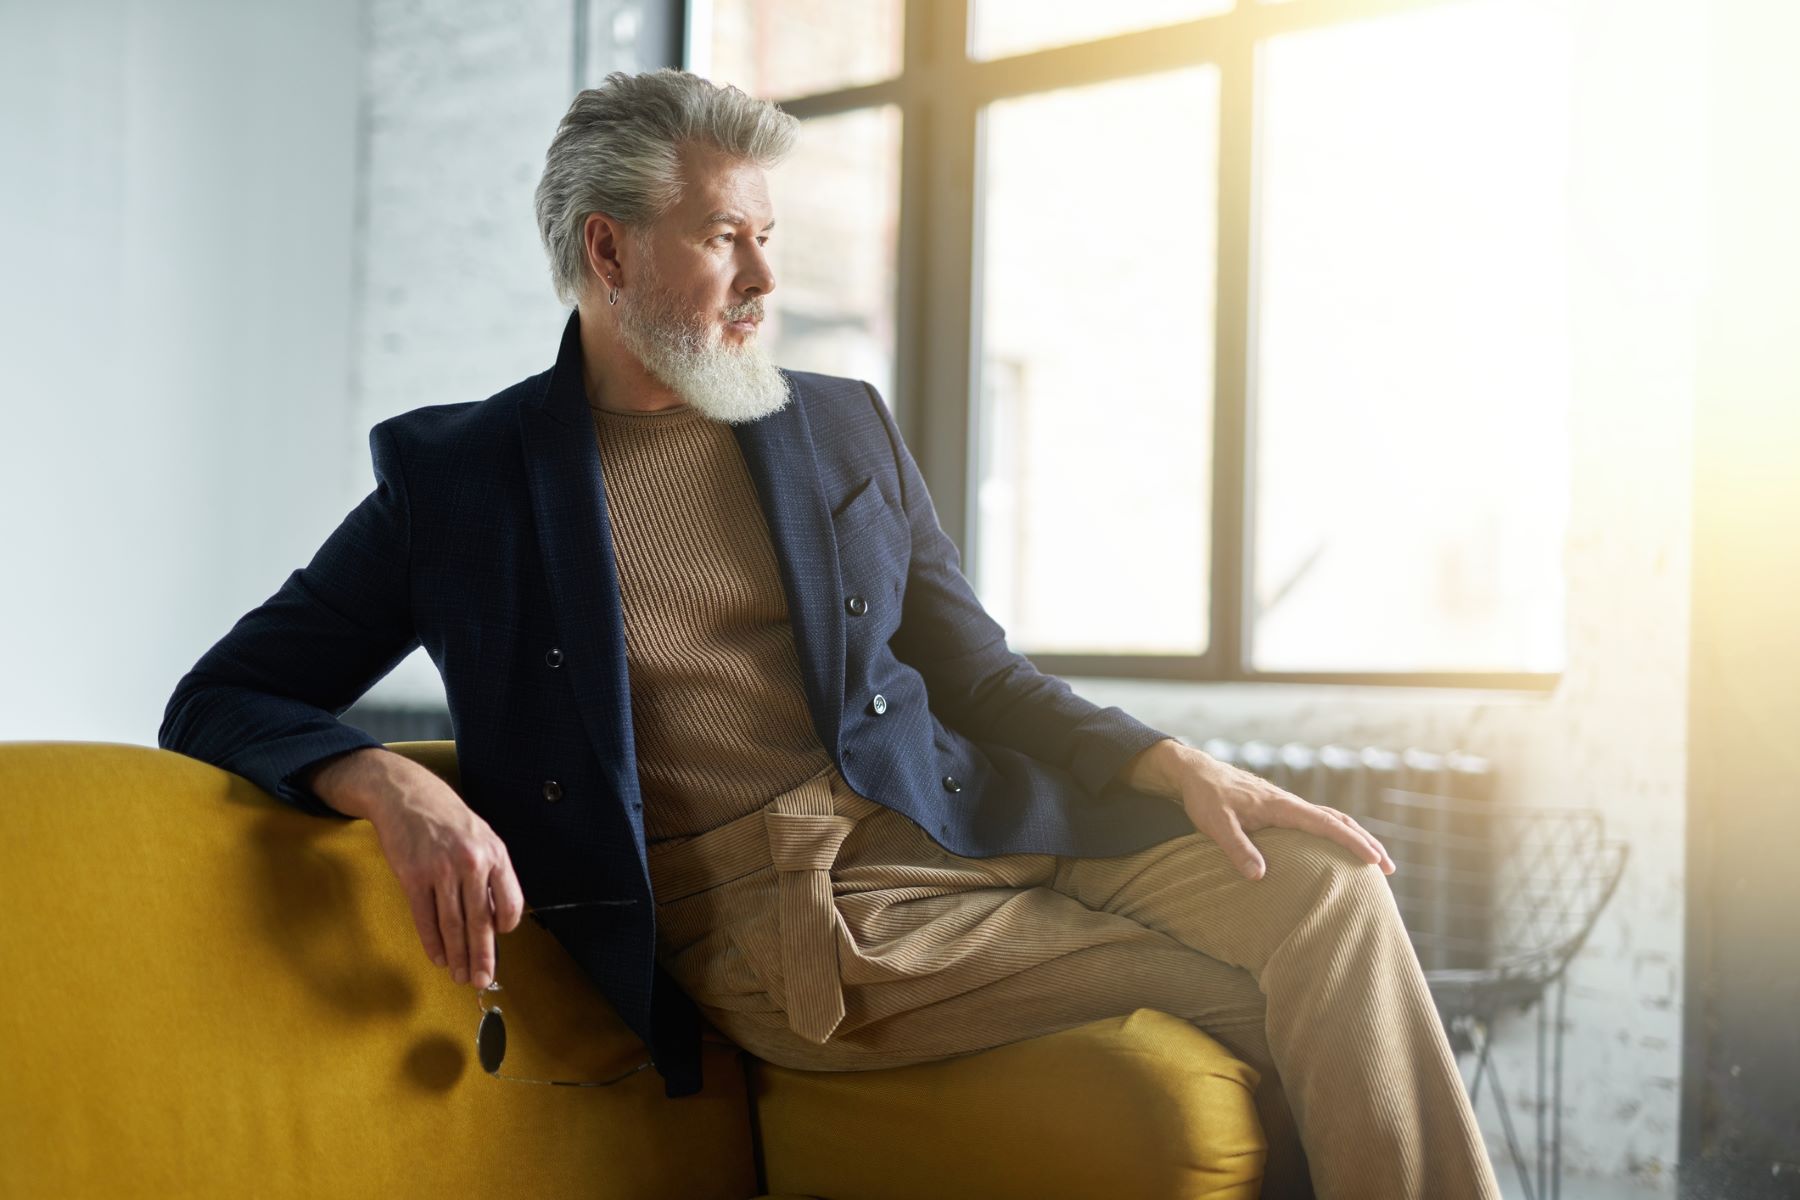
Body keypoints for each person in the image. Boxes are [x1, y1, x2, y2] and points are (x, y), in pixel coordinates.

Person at [159, 68, 1500, 1200]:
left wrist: (1170, 766)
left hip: (964, 822)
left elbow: (977, 669)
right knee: (1255, 996)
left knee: (1329, 891)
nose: (764, 275)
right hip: (787, 925)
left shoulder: (837, 422)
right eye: (722, 236)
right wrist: (379, 777)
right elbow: (224, 693)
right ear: (608, 251)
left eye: (768, 234)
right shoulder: (461, 485)